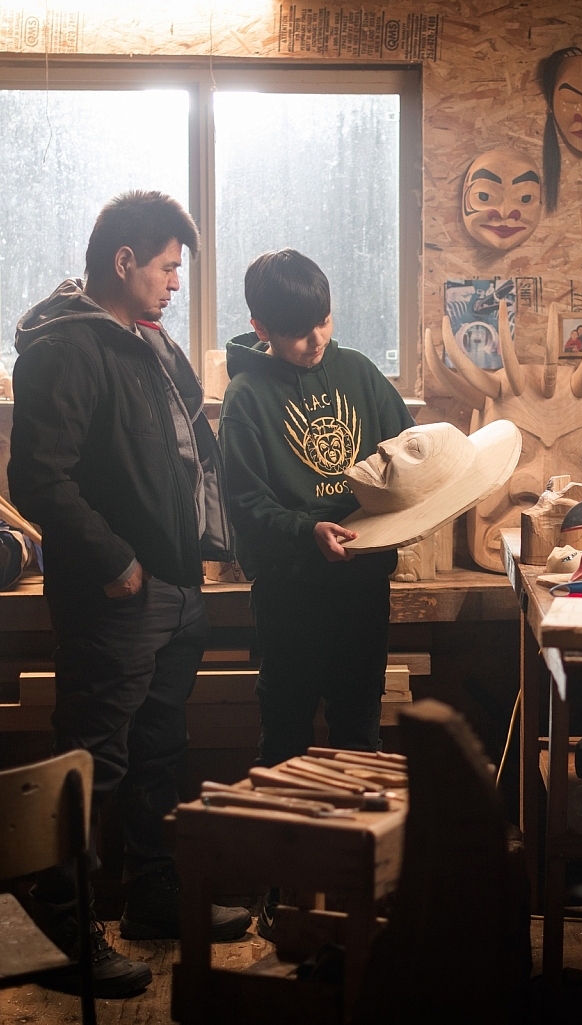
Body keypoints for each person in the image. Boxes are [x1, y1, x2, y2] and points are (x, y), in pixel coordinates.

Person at [8, 190, 249, 998]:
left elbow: (187, 458)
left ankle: (153, 895)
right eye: (167, 268)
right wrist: (116, 561)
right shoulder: (67, 348)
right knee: (92, 760)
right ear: (124, 263)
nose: (176, 284)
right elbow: (39, 476)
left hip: (175, 587)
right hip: (119, 595)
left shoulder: (146, 344)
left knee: (158, 752)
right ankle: (62, 924)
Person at [218, 249, 414, 766]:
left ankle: (359, 845)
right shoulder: (244, 397)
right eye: (299, 332)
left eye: (324, 321)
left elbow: (409, 453)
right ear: (260, 327)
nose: (317, 340)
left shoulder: (359, 372)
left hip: (363, 585)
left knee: (359, 729)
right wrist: (308, 532)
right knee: (286, 732)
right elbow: (245, 503)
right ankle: (288, 845)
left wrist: (423, 504)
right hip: (291, 593)